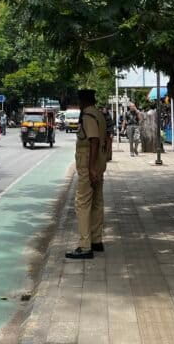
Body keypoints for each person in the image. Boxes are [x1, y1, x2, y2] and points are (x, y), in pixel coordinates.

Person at [66, 89, 107, 260]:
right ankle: (96, 240)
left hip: (88, 164)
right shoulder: (99, 114)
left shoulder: (88, 116)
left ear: (83, 101)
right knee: (97, 201)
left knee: (82, 203)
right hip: (98, 162)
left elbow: (94, 140)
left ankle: (84, 246)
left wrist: (90, 168)